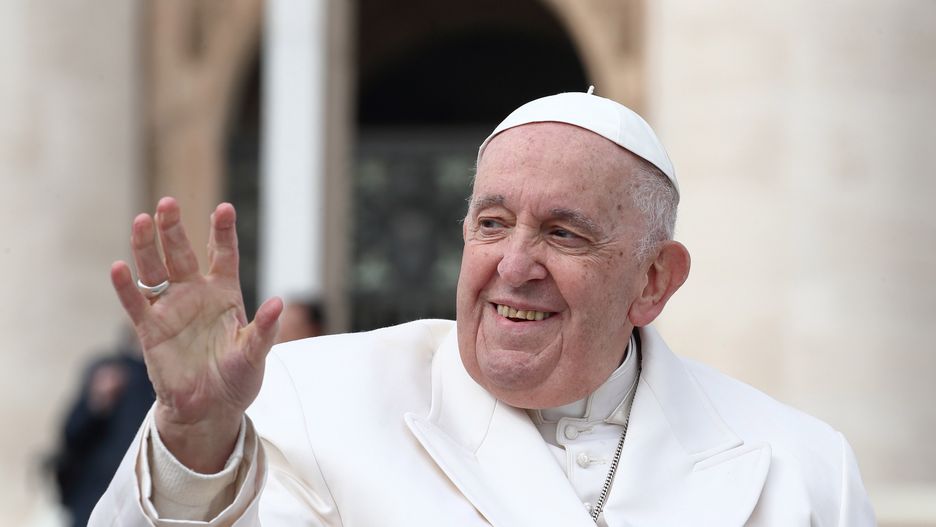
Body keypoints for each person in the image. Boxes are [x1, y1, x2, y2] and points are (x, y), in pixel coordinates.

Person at [90, 91, 876, 526]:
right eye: (492, 223)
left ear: (654, 280)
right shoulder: (307, 399)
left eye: (565, 233)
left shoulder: (803, 467)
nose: (515, 265)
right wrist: (193, 439)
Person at [50, 327, 155, 527]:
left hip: (144, 503)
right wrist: (97, 402)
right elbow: (72, 434)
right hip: (95, 497)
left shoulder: (170, 379)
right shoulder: (109, 369)